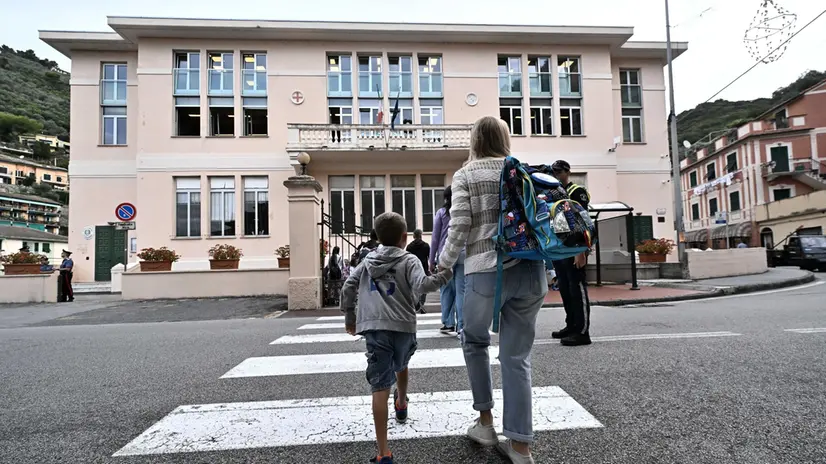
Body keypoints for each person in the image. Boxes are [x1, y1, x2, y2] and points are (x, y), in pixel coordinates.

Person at [438, 116, 547, 464]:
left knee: (474, 341)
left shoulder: (466, 174)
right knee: (517, 358)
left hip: (486, 272)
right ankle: (520, 446)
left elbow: (460, 225)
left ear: (474, 141)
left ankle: (485, 423)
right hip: (530, 269)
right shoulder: (521, 169)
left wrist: (443, 263)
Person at [340, 212, 453, 464]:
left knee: (379, 385)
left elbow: (349, 285)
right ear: (404, 237)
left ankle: (383, 453)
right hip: (403, 326)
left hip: (375, 329)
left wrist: (350, 317)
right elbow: (423, 285)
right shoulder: (409, 259)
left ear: (377, 237)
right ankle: (401, 402)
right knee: (401, 363)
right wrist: (446, 274)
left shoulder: (368, 259)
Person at [549, 159, 592, 347]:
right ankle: (571, 325)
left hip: (575, 248)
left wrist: (581, 250)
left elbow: (582, 221)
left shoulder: (577, 192)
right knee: (566, 290)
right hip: (561, 249)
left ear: (567, 172)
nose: (556, 175)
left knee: (577, 289)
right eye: (554, 172)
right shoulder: (554, 193)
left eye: (559, 172)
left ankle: (582, 332)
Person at [429, 186, 466, 335]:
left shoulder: (441, 213)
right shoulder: (463, 211)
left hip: (445, 255)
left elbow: (435, 238)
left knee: (446, 289)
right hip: (463, 253)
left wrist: (431, 260)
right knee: (461, 290)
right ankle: (461, 324)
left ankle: (448, 322)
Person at [405, 229, 431, 313]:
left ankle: (416, 304)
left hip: (412, 269)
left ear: (413, 236)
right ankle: (421, 303)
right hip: (423, 269)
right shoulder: (426, 246)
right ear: (421, 235)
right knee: (423, 287)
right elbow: (429, 258)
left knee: (413, 287)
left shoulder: (409, 247)